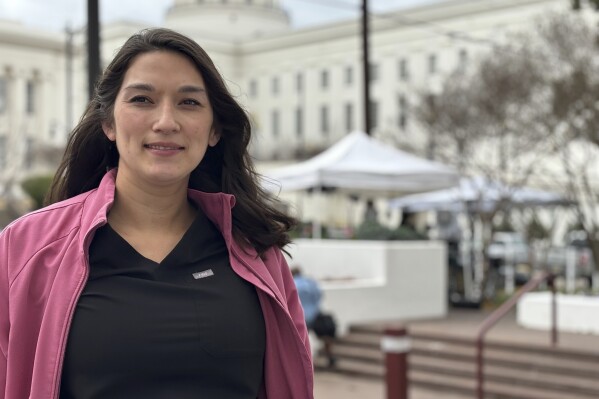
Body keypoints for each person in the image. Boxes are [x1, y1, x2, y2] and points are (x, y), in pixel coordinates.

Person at [0, 28, 313, 399]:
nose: (166, 121)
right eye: (142, 99)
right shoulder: (24, 249)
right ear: (109, 123)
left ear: (214, 130)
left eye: (189, 103)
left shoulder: (258, 253)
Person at [291, 266, 336, 368]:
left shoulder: (293, 283)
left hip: (301, 316)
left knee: (304, 340)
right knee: (325, 336)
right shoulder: (311, 282)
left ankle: (308, 362)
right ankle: (330, 357)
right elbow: (320, 295)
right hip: (316, 313)